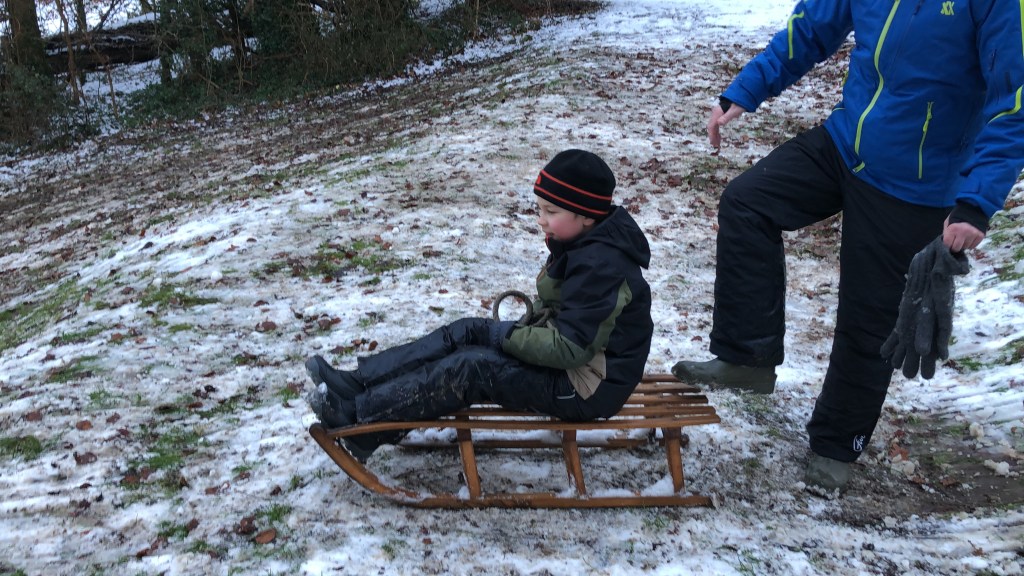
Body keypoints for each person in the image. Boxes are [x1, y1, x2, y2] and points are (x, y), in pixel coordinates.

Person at [671, 0, 1024, 491]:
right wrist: (747, 89)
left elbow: (1013, 101)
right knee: (748, 203)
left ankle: (838, 444)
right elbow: (811, 29)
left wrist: (976, 202)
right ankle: (747, 357)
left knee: (867, 315)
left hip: (915, 181)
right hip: (845, 142)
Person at [304, 149, 654, 462]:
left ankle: (362, 421)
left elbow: (571, 347)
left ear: (587, 215)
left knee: (472, 368)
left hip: (586, 388)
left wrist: (505, 337)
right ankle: (360, 383)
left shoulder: (602, 265)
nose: (541, 219)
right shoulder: (584, 243)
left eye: (551, 211)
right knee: (465, 331)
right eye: (540, 209)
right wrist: (515, 330)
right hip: (572, 368)